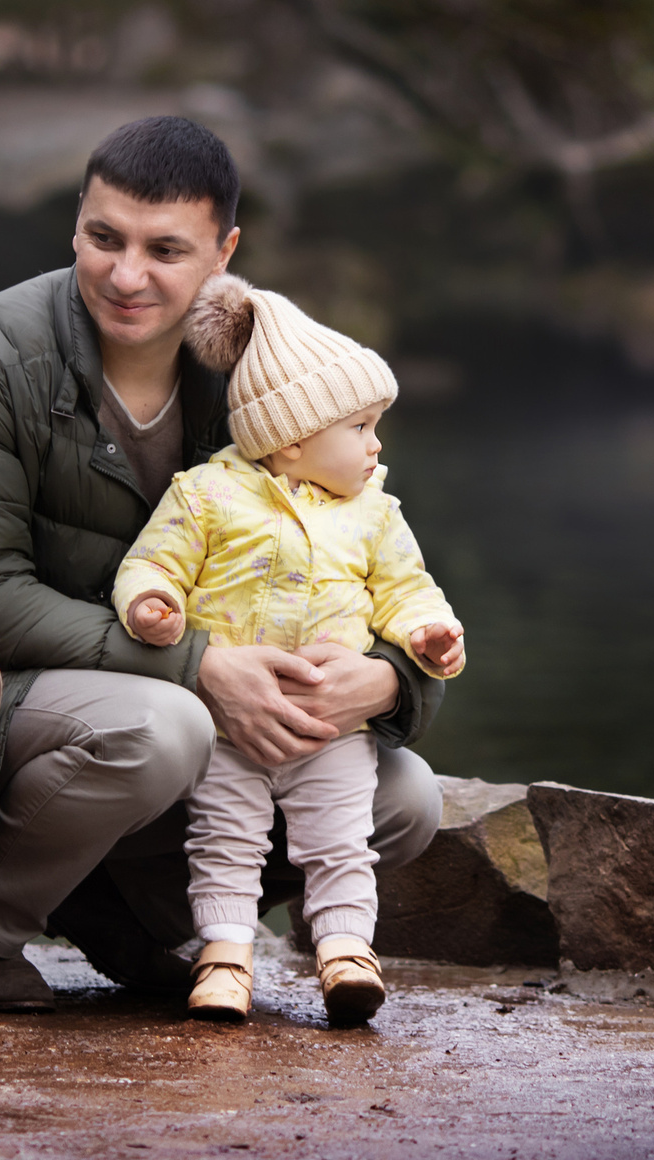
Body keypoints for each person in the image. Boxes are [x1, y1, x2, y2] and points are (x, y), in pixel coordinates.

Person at [0, 116, 448, 1013]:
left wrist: (386, 683)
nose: (126, 275)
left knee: (407, 797)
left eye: (165, 249)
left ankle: (142, 921)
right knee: (161, 728)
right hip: (17, 703)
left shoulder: (268, 376)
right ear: (77, 218)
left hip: (187, 714)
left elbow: (376, 561)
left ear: (226, 250)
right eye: (103, 237)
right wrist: (200, 666)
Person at [115, 275, 465, 1025]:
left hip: (328, 728)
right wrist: (154, 604)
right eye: (362, 427)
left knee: (341, 838)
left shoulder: (374, 514)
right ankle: (225, 955)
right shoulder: (206, 495)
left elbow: (406, 590)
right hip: (231, 725)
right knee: (226, 836)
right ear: (293, 438)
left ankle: (345, 952)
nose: (376, 445)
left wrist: (427, 635)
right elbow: (154, 562)